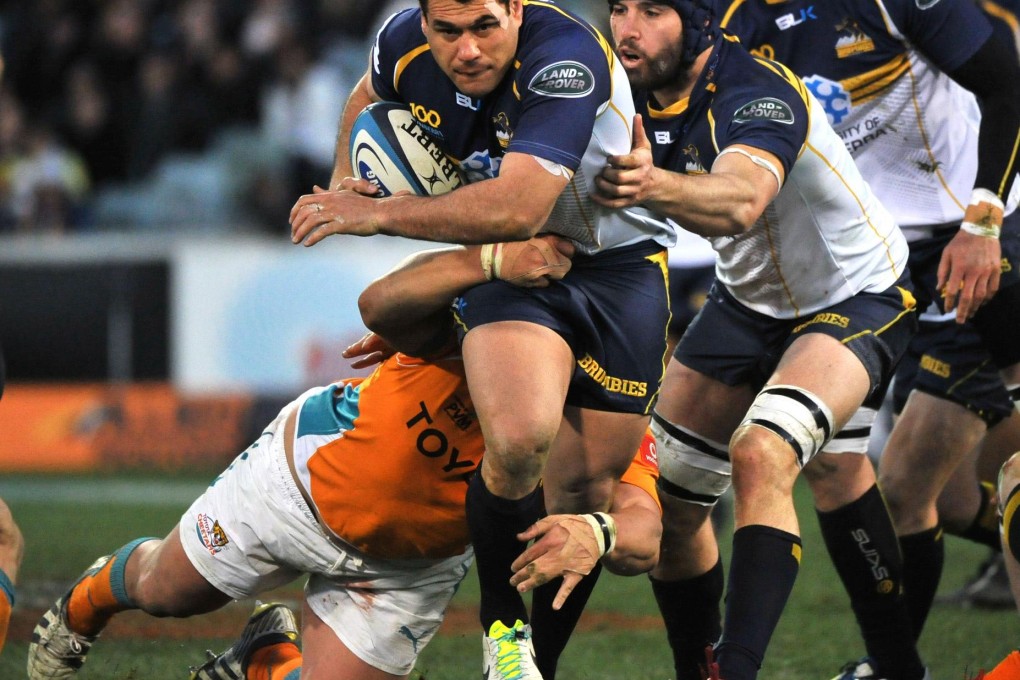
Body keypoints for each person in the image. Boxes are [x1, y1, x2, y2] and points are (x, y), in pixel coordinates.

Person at [25, 236, 663, 680]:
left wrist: (598, 531)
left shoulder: (614, 411)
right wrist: (489, 259)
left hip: (411, 569)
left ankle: (266, 655)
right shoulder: (491, 320)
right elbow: (381, 302)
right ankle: (83, 605)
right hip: (299, 486)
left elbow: (646, 529)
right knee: (166, 591)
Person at [289, 2, 674, 677]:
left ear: (516, 10)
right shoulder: (400, 40)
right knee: (520, 440)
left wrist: (376, 214)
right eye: (448, 31)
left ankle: (534, 666)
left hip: (620, 265)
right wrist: (345, 174)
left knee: (585, 489)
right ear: (426, 21)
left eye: (484, 28)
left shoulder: (562, 61)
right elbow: (369, 93)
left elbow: (518, 200)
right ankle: (503, 635)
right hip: (513, 259)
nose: (466, 50)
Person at [592, 3, 917, 680]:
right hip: (746, 303)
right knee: (673, 505)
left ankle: (738, 670)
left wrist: (647, 182)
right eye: (619, 7)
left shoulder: (755, 90)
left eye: (653, 11)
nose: (629, 28)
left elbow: (742, 200)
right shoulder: (611, 88)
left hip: (856, 294)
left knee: (763, 453)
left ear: (700, 23)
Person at [713, 1, 1020, 677]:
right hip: (863, 267)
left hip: (966, 241)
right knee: (901, 483)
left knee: (910, 484)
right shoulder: (724, 18)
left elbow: (1006, 83)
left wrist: (986, 221)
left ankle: (891, 668)